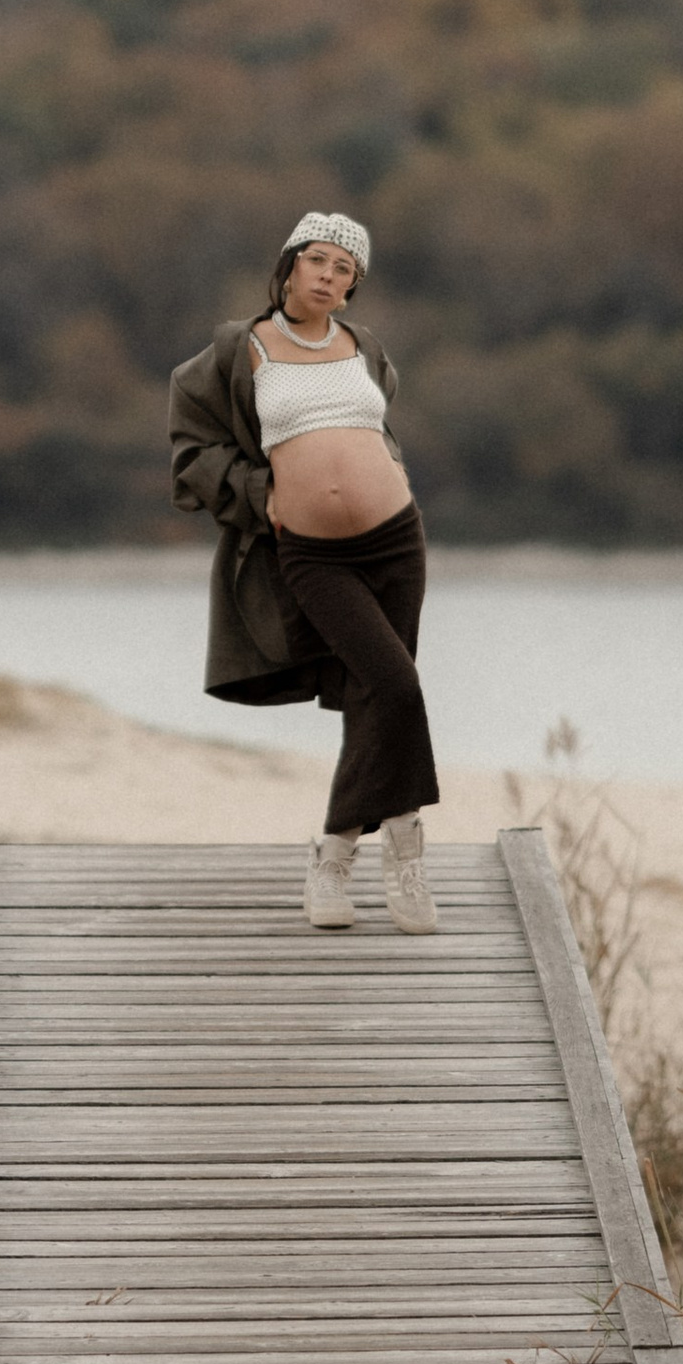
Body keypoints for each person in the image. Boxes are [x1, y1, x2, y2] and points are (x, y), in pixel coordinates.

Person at [168, 207, 441, 935]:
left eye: (343, 268)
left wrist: (388, 474)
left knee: (371, 695)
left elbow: (372, 430)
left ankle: (338, 857)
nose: (328, 274)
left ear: (352, 287)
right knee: (396, 682)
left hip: (396, 540)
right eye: (317, 259)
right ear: (289, 265)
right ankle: (398, 842)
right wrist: (265, 494)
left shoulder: (363, 346)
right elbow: (192, 445)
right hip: (313, 552)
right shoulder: (240, 349)